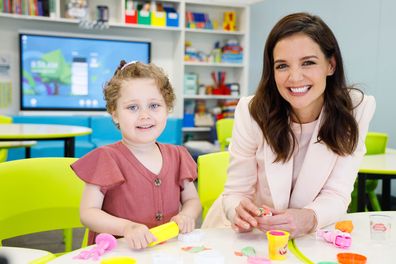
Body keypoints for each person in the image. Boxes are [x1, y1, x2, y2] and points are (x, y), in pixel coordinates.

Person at [202, 12, 376, 237]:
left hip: (310, 233)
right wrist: (237, 210)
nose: (295, 78)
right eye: (282, 66)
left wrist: (310, 218)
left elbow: (337, 193)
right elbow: (235, 193)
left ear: (330, 65)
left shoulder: (355, 109)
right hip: (249, 233)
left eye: (308, 63)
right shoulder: (252, 110)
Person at [71, 61, 201, 249]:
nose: (145, 115)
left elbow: (191, 200)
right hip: (119, 253)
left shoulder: (178, 155)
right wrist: (126, 227)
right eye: (133, 107)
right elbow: (88, 213)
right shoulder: (106, 158)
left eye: (154, 105)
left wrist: (187, 215)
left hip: (166, 250)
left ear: (167, 109)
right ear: (115, 113)